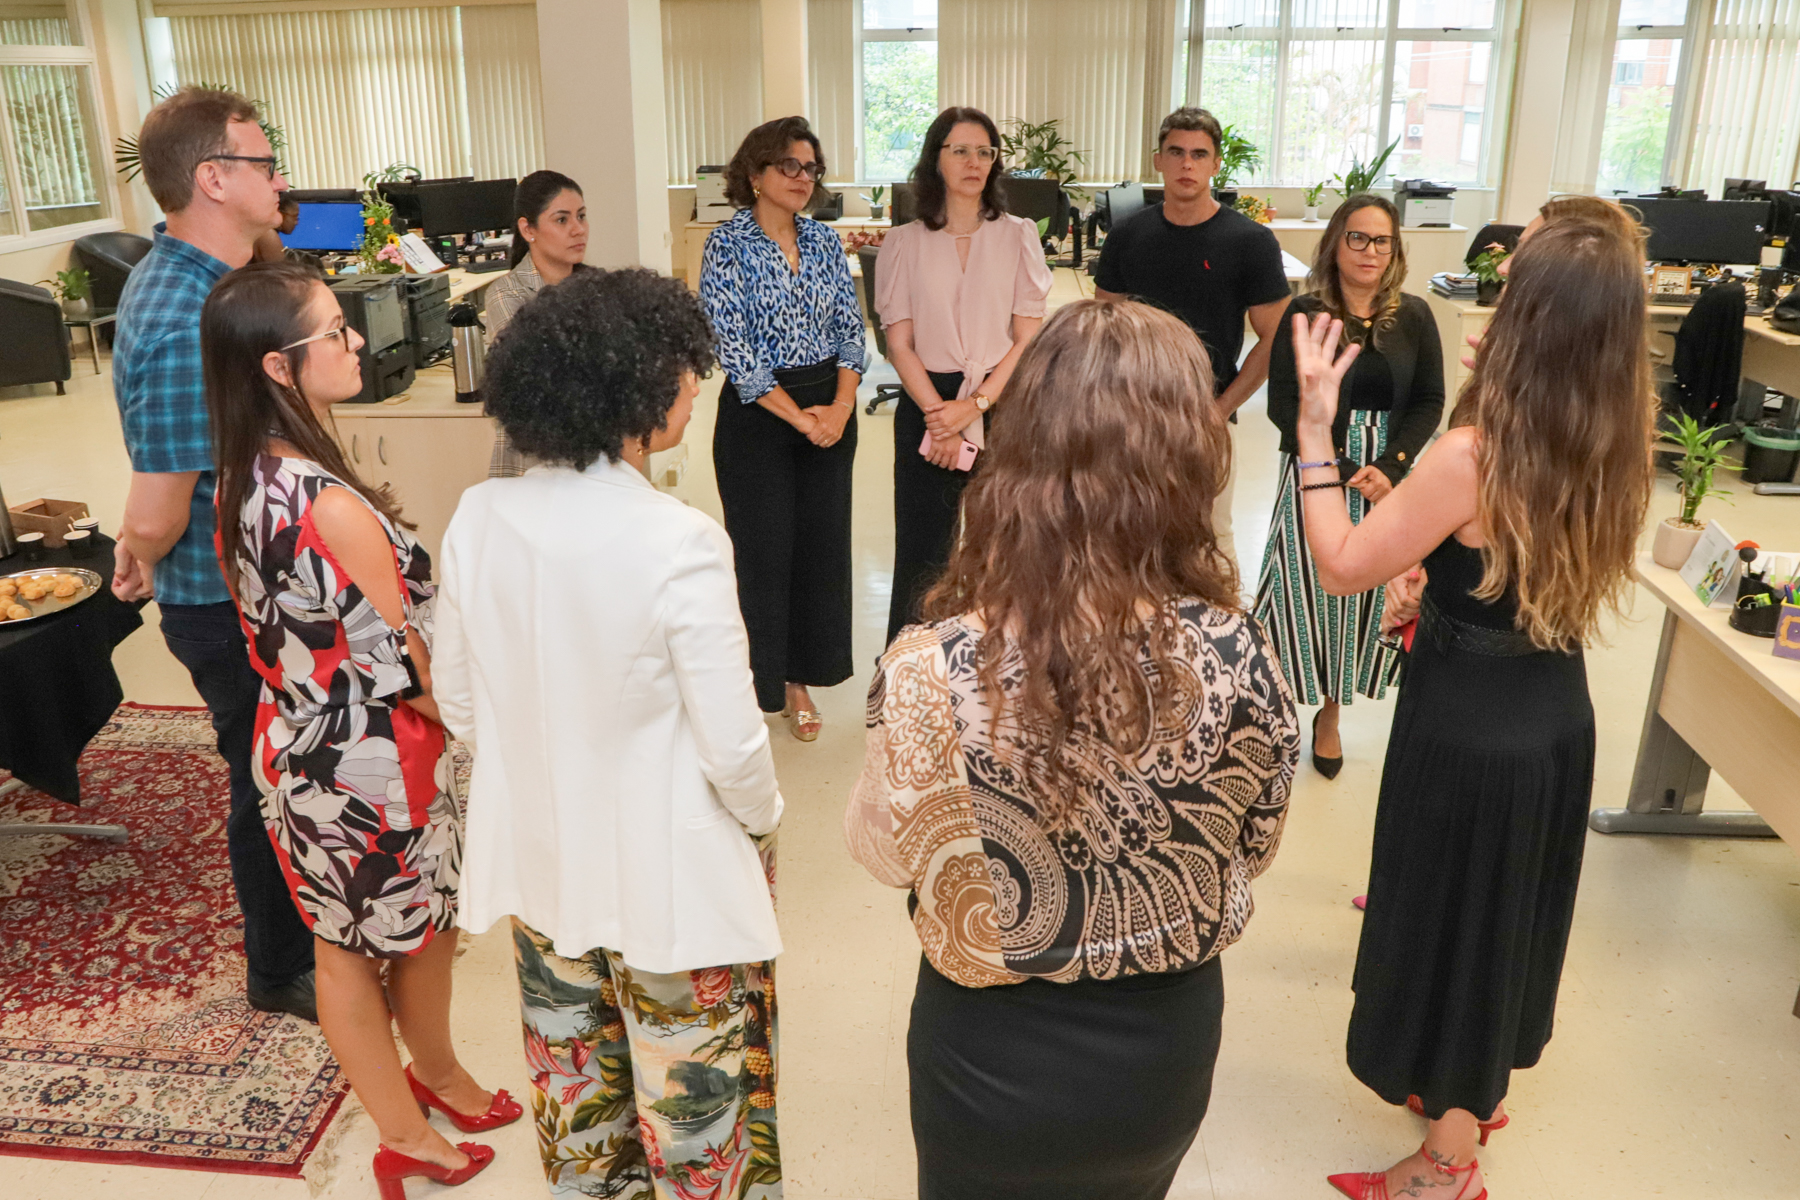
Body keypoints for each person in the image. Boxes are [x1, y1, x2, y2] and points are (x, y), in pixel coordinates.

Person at [847, 298, 1300, 1200]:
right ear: (1188, 459)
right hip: (1159, 1057)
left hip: (984, 1059)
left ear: (1020, 451)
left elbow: (885, 853)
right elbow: (1256, 846)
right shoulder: (1241, 652)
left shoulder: (929, 667)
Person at [1285, 209, 1655, 1199]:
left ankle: (1446, 1164)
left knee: (1456, 922)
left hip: (1468, 727)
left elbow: (1342, 564)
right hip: (1548, 712)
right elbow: (1514, 569)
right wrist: (1442, 578)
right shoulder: (1615, 435)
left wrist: (1314, 430)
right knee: (1499, 920)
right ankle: (1468, 1089)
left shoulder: (1475, 454)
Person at [432, 268, 784, 1200]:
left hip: (545, 874)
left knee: (580, 1112)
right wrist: (761, 821)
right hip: (669, 887)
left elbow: (459, 706)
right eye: (684, 370)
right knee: (696, 1123)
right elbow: (734, 746)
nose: (696, 385)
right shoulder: (680, 540)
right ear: (634, 390)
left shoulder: (480, 515)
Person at [204, 261, 519, 1199]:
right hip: (365, 758)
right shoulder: (323, 500)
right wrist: (489, 723)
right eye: (333, 332)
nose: (352, 342)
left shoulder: (246, 470)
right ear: (277, 366)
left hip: (304, 739)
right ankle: (403, 1133)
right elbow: (408, 668)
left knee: (419, 927)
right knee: (355, 946)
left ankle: (440, 1075)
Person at [108, 86, 317, 1022]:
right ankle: (280, 970)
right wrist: (132, 547)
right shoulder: (177, 316)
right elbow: (161, 504)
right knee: (265, 781)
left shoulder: (220, 286)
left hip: (259, 581)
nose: (279, 179)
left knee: (296, 766)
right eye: (264, 164)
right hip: (223, 600)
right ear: (213, 178)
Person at [1255, 194, 1444, 778]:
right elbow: (1282, 404)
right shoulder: (1303, 313)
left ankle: (1330, 716)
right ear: (1336, 243)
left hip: (1384, 481)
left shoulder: (1414, 315)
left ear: (1395, 250)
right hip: (1316, 471)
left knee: (1359, 603)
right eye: (1357, 238)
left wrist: (1392, 465)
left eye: (1381, 240)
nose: (1369, 251)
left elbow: (1430, 400)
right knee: (1296, 590)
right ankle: (1273, 714)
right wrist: (1331, 464)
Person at [700, 115, 866, 742]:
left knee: (820, 552)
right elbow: (736, 351)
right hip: (760, 417)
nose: (803, 178)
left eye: (811, 168)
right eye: (789, 166)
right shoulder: (728, 244)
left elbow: (853, 331)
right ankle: (763, 681)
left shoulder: (824, 242)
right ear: (756, 173)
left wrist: (842, 408)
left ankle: (801, 677)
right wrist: (800, 418)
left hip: (831, 405)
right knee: (764, 552)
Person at [875, 106, 1052, 644]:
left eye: (985, 152)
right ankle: (908, 678)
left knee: (1004, 549)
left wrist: (973, 407)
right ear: (936, 159)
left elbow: (1027, 338)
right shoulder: (903, 243)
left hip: (1001, 404)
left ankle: (1000, 673)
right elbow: (898, 343)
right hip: (928, 399)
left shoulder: (1019, 235)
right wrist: (939, 416)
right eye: (960, 150)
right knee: (923, 552)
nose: (974, 162)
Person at [1093, 106, 1291, 571]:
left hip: (1207, 419)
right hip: (1131, 420)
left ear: (1216, 163)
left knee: (1209, 546)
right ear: (1158, 160)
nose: (1187, 164)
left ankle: (1217, 644)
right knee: (1124, 545)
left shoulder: (1250, 242)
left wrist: (1218, 412)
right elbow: (1102, 328)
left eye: (1199, 154)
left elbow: (1275, 339)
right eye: (1176, 153)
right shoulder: (1126, 236)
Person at [483, 169, 589, 478]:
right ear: (528, 230)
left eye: (581, 216)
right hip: (532, 464)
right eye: (562, 220)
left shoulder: (598, 288)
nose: (578, 229)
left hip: (593, 460)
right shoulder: (506, 294)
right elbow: (530, 380)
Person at [251, 190, 300, 263]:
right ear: (279, 213)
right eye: (295, 217)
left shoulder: (259, 230)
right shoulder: (268, 235)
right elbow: (281, 273)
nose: (296, 222)